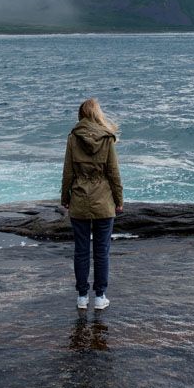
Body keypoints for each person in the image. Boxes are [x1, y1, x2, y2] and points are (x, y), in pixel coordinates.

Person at [61, 97, 123, 310]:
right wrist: (119, 200)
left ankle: (81, 297)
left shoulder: (73, 137)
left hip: (79, 201)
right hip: (104, 202)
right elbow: (113, 173)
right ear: (97, 114)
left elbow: (68, 172)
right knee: (101, 251)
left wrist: (65, 198)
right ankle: (99, 297)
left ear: (81, 114)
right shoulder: (107, 138)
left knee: (81, 251)